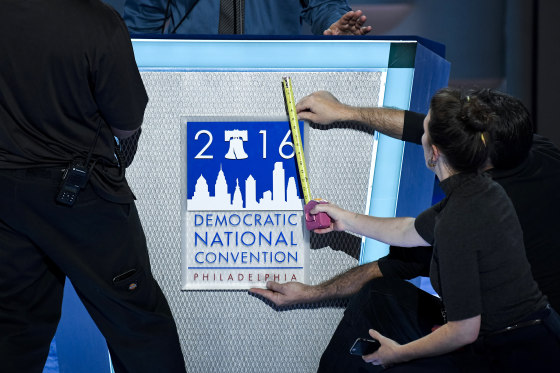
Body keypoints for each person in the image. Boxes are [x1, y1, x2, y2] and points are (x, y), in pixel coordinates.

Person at [250, 88, 560, 371]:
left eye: (425, 132)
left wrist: (398, 352)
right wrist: (345, 217)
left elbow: (463, 328)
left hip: (512, 355)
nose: (418, 132)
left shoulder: (464, 219)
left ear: (434, 153)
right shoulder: (528, 154)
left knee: (380, 312)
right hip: (538, 332)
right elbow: (407, 230)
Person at [0, 1, 186, 373]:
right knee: (139, 324)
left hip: (8, 197)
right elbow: (126, 122)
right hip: (82, 198)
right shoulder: (97, 21)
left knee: (14, 330)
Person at [123, 0, 372, 36]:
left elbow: (323, 3)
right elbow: (144, 15)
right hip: (188, 75)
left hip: (275, 76)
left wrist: (335, 23)